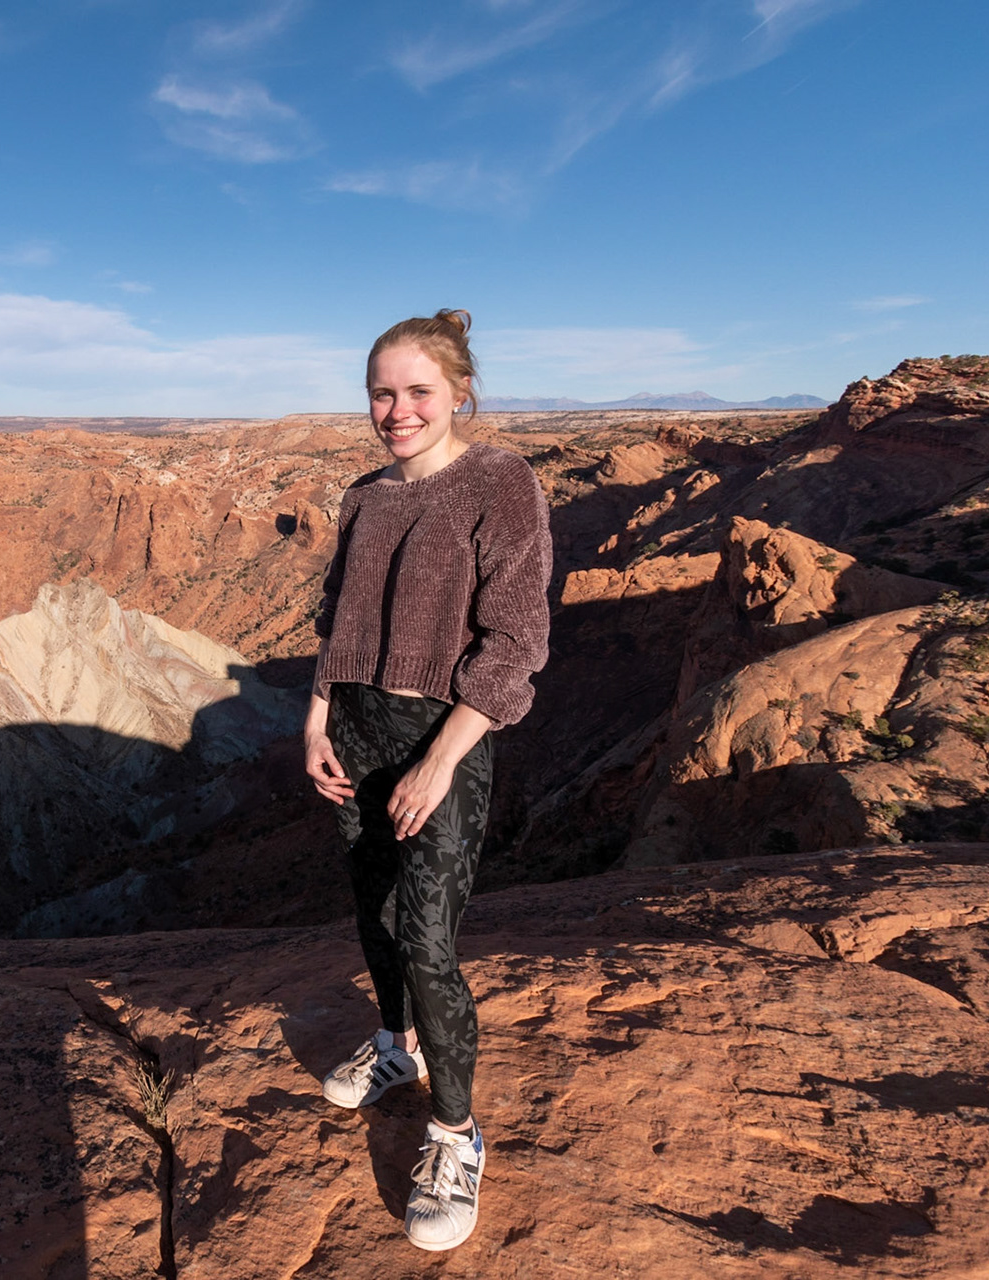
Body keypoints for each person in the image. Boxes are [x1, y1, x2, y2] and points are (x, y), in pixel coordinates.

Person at [303, 309, 551, 1252]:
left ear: (458, 394)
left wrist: (444, 759)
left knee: (429, 937)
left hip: (440, 735)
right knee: (373, 912)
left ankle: (455, 1132)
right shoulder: (365, 497)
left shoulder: (501, 483)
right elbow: (339, 619)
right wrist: (317, 717)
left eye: (416, 392)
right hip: (357, 727)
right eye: (382, 393)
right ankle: (393, 1051)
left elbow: (517, 640)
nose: (396, 410)